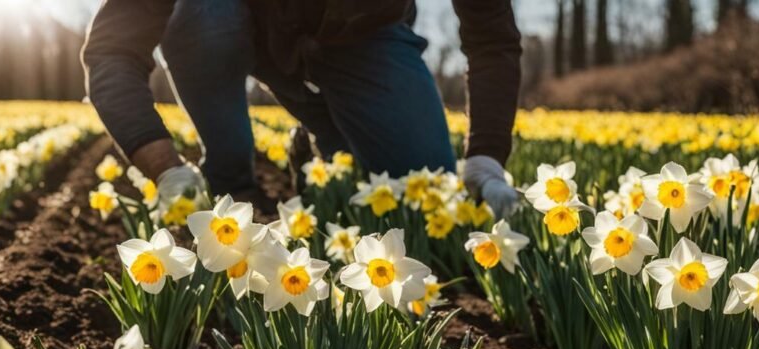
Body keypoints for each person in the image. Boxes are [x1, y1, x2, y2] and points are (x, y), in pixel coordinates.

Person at [82, 0, 522, 216]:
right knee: (200, 14)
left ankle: (322, 143)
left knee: (424, 194)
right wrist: (164, 166)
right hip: (250, 24)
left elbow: (492, 38)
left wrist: (485, 154)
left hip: (365, 32)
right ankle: (233, 182)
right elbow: (111, 50)